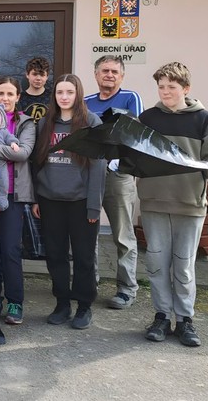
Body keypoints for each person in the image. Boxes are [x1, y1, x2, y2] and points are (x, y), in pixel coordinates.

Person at [139, 62, 208, 347]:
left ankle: (185, 320)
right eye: (161, 87)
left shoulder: (203, 118)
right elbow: (134, 153)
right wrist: (121, 162)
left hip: (189, 203)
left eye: (172, 87)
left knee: (184, 265)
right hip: (153, 201)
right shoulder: (147, 118)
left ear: (186, 89)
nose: (165, 92)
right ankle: (162, 316)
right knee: (156, 262)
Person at [32, 74, 106, 330]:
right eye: (60, 92)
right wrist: (36, 198)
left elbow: (98, 167)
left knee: (84, 256)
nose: (64, 97)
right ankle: (62, 303)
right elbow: (37, 162)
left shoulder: (91, 123)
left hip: (80, 201)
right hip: (50, 200)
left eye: (69, 92)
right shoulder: (45, 123)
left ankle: (84, 306)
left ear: (78, 94)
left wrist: (94, 205)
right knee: (55, 255)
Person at [84, 55, 144, 310]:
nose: (109, 75)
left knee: (122, 233)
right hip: (91, 173)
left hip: (119, 173)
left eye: (114, 71)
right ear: (96, 74)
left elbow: (136, 134)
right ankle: (89, 284)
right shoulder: (86, 102)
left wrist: (120, 160)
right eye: (104, 70)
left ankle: (127, 289)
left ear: (122, 76)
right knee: (89, 232)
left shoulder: (130, 98)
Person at [0, 77, 37, 325]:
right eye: (0, 94)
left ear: (18, 97)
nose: (4, 98)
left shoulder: (25, 123)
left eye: (10, 94)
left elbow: (24, 153)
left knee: (9, 250)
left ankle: (15, 301)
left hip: (12, 195)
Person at [19, 57, 51, 122]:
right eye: (35, 74)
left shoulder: (53, 97)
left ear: (47, 76)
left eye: (42, 75)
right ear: (27, 75)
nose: (38, 78)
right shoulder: (19, 98)